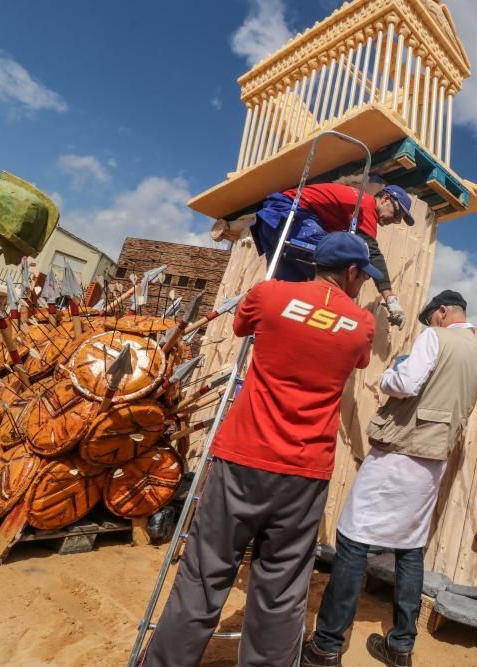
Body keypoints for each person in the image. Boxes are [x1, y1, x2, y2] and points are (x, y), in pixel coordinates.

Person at [141, 232, 378, 667]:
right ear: (350, 272)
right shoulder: (362, 324)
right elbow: (359, 360)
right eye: (363, 275)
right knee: (282, 590)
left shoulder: (269, 295)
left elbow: (239, 325)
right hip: (305, 473)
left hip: (241, 460)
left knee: (203, 575)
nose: (363, 282)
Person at [302, 290, 477, 667]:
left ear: (442, 312)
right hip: (433, 462)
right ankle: (401, 645)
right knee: (410, 547)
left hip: (398, 454)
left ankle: (326, 645)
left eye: (431, 318)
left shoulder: (435, 338)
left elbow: (405, 384)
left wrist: (390, 375)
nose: (429, 325)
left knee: (354, 538)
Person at [250, 182, 415, 326]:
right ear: (385, 199)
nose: (396, 221)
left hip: (271, 223)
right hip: (289, 215)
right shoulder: (365, 206)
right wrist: (390, 298)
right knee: (335, 257)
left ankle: (250, 298)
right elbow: (371, 253)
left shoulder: (357, 205)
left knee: (292, 290)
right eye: (397, 214)